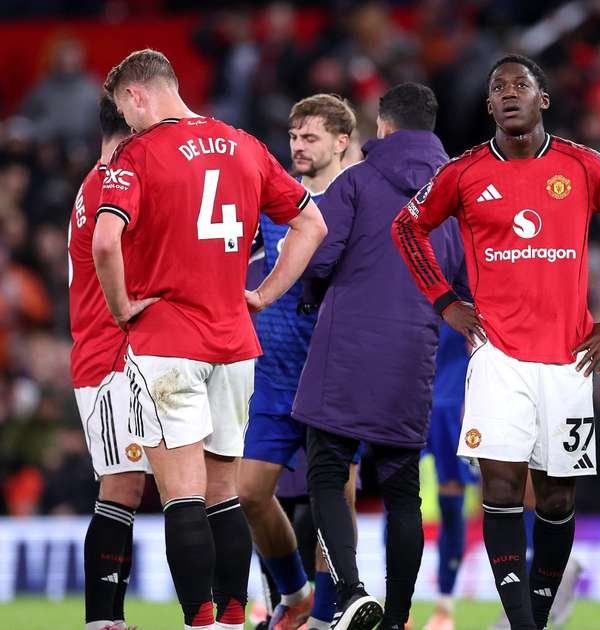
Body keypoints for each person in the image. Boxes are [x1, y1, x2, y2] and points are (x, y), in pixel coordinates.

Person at [393, 54, 600, 630]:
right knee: (501, 486)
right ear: (489, 105)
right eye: (498, 87)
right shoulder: (464, 172)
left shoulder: (583, 165)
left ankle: (535, 614)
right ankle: (521, 622)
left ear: (544, 99)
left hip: (569, 362)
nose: (509, 93)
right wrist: (445, 301)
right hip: (498, 357)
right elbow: (407, 226)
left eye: (521, 85)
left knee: (557, 499)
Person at [94, 49, 327, 630]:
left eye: (125, 108)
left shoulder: (137, 154)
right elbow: (311, 223)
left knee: (183, 495)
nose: (127, 121)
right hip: (234, 343)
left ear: (136, 95)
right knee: (224, 491)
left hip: (168, 341)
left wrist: (121, 307)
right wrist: (265, 294)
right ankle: (230, 620)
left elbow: (104, 241)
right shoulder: (245, 144)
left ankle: (199, 622)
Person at [292, 82, 462, 630]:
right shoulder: (456, 195)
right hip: (413, 355)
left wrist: (311, 294)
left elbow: (319, 257)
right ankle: (398, 618)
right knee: (403, 493)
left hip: (345, 350)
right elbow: (463, 278)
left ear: (383, 126)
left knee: (326, 472)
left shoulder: (357, 182)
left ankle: (349, 590)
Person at [238, 93, 359, 630]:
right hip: (271, 376)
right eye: (293, 137)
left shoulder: (357, 203)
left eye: (310, 137)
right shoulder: (272, 203)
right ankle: (297, 594)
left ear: (341, 141)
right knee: (249, 492)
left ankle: (328, 614)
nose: (298, 147)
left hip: (332, 376)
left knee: (338, 496)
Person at [71, 94, 142, 630]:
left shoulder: (93, 182)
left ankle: (110, 620)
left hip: (105, 352)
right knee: (119, 488)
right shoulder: (111, 183)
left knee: (127, 487)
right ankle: (101, 621)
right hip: (107, 355)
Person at [423, 321, 473, 630]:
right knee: (397, 495)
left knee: (452, 500)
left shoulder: (469, 291)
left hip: (453, 399)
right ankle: (398, 603)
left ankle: (444, 605)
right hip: (409, 392)